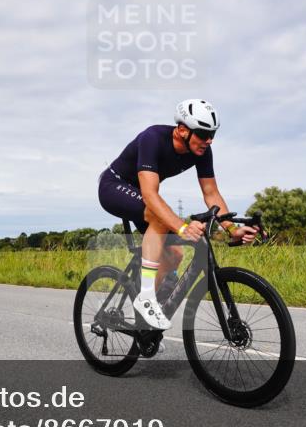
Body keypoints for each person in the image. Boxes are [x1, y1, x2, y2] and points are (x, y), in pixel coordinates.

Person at [97, 99, 258, 330]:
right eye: (203, 133)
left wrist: (231, 228)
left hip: (141, 196)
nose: (209, 140)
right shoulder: (152, 138)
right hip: (114, 187)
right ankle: (145, 298)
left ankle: (144, 324)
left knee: (174, 255)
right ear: (182, 129)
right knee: (160, 218)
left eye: (212, 133)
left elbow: (211, 193)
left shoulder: (202, 151)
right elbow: (151, 196)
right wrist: (182, 227)